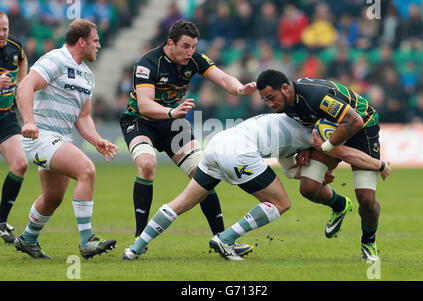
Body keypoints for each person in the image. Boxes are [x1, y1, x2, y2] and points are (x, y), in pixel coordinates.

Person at [122, 113, 390, 260]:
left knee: (182, 202)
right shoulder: (316, 132)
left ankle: (135, 248)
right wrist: (378, 165)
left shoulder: (285, 124)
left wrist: (307, 171)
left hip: (218, 144)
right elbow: (342, 152)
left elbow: (288, 169)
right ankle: (225, 240)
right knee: (281, 203)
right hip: (240, 153)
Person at [119, 19, 256, 256]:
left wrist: (239, 89)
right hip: (140, 121)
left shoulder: (195, 60)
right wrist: (171, 112)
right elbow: (144, 105)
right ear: (170, 43)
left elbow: (223, 79)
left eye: (193, 46)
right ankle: (139, 238)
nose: (189, 52)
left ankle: (222, 239)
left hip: (172, 122)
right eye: (185, 46)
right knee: (147, 164)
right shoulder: (147, 63)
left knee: (204, 173)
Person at [256, 69, 387, 263]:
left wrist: (325, 147)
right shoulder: (287, 104)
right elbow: (311, 124)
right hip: (332, 131)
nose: (270, 104)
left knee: (366, 200)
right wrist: (306, 147)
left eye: (271, 98)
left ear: (285, 88)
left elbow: (354, 121)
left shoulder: (315, 95)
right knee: (308, 188)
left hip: (362, 131)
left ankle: (368, 242)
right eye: (265, 100)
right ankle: (340, 205)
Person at [14, 19, 117, 259]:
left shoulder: (87, 76)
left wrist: (96, 140)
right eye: (95, 40)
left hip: (59, 138)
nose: (99, 45)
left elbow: (84, 116)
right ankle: (86, 241)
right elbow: (25, 86)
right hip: (40, 135)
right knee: (87, 170)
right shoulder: (56, 59)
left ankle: (28, 239)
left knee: (52, 198)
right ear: (81, 41)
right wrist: (29, 121)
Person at [0, 11, 29, 244]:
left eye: (5, 29)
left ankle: (1, 222)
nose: (2, 33)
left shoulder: (14, 46)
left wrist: (21, 83)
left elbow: (23, 61)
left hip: (6, 117)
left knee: (20, 164)